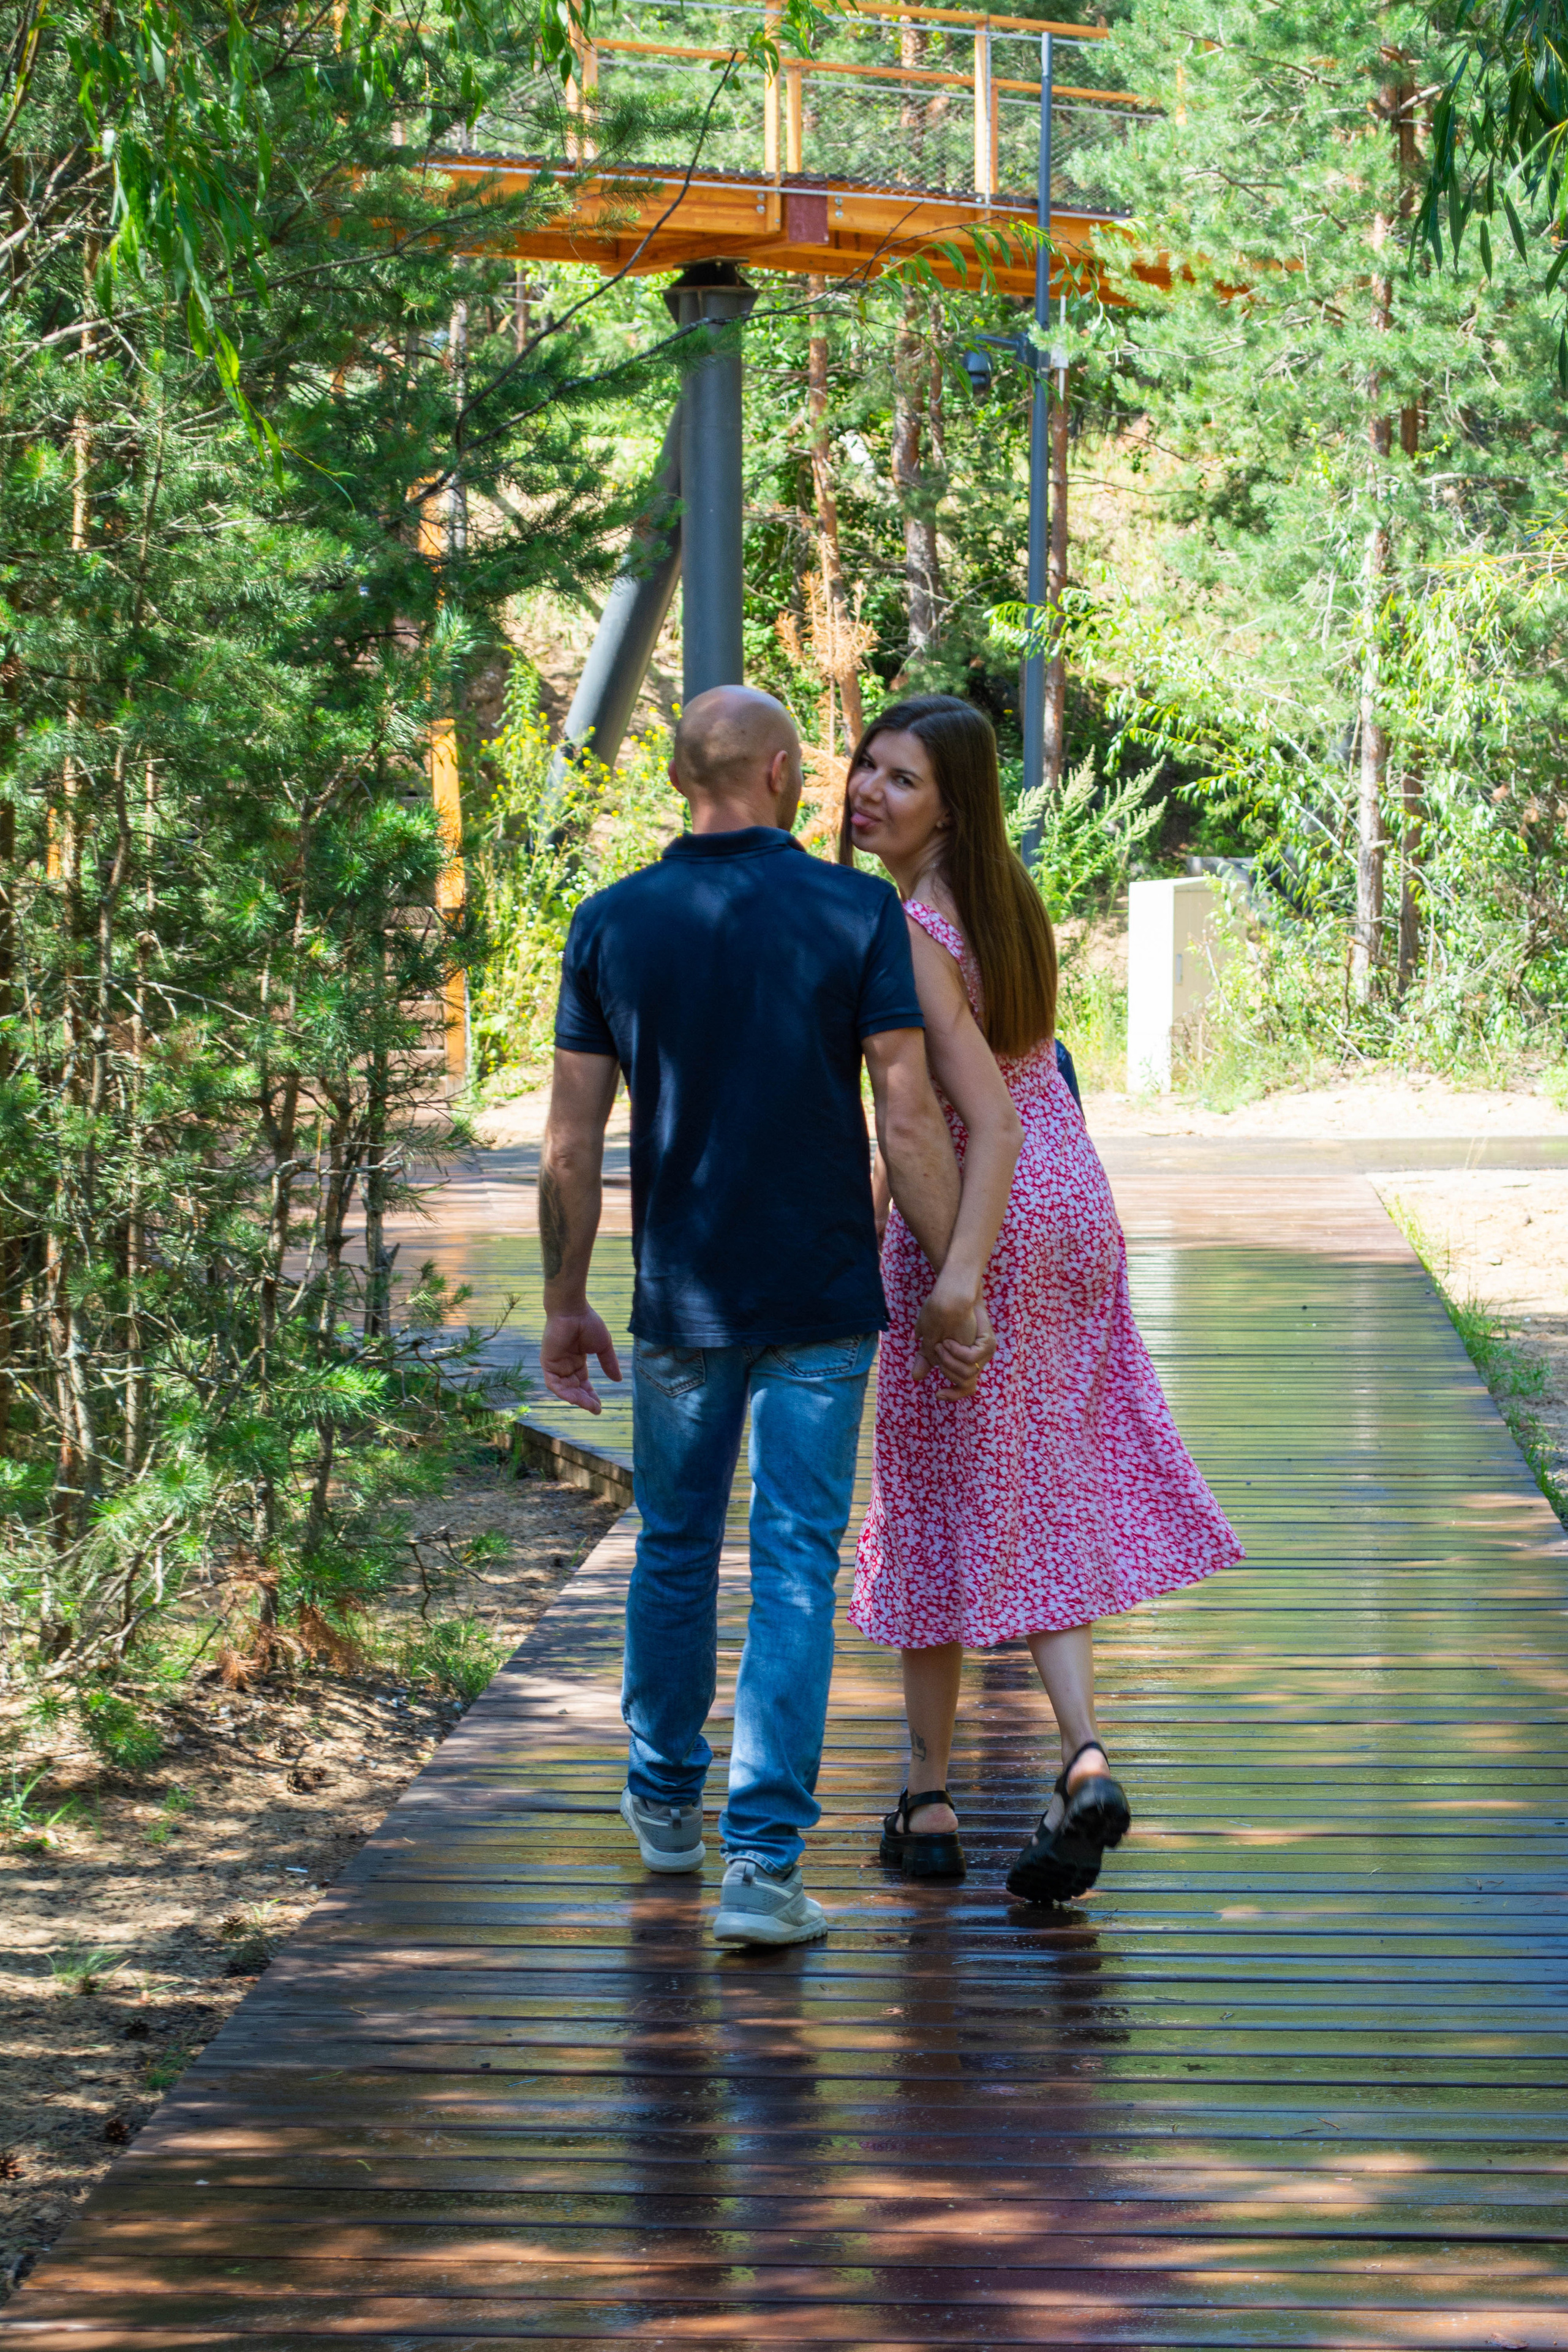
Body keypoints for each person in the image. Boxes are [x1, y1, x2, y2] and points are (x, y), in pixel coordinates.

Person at [537, 685, 998, 1947]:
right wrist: (958, 1278)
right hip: (818, 1297)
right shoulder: (855, 910)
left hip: (681, 1300)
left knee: (675, 1549)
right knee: (796, 1563)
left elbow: (571, 1142)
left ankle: (661, 1800)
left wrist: (565, 1300)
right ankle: (762, 1867)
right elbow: (905, 1114)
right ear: (785, 774)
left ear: (685, 779)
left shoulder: (610, 923)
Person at [842, 693, 1244, 1902]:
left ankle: (926, 1794)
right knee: (1039, 1492)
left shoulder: (908, 924)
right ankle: (1080, 1759)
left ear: (949, 802)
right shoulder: (1007, 902)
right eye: (865, 766)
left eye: (899, 779)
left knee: (930, 1491)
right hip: (1070, 1201)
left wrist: (945, 1275)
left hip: (979, 1211)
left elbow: (935, 1113)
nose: (867, 790)